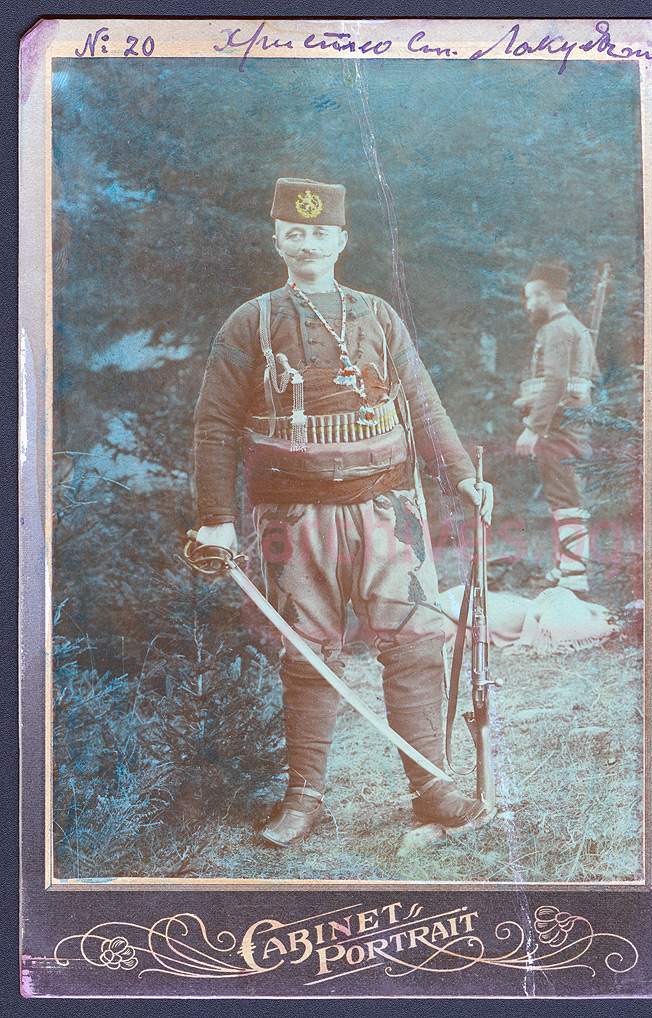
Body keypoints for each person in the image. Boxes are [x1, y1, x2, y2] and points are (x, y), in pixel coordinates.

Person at [192, 177, 493, 847]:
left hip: (386, 509)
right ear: (277, 238)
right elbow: (214, 425)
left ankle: (431, 785)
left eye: (320, 232)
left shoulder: (378, 316)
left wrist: (463, 476)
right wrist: (215, 516)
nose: (308, 242)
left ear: (342, 240)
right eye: (295, 232)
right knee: (308, 650)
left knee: (415, 640)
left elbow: (421, 400)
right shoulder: (251, 321)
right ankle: (304, 797)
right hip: (291, 517)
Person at [514, 260, 599, 594]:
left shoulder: (557, 329)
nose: (528, 305)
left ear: (545, 295)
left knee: (564, 495)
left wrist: (533, 428)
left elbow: (556, 381)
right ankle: (567, 566)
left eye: (531, 297)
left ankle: (574, 575)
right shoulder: (573, 327)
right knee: (563, 492)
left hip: (559, 425)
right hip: (567, 423)